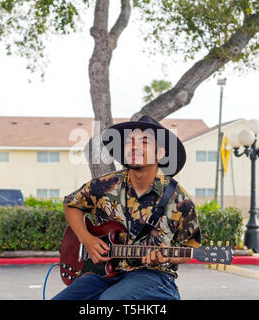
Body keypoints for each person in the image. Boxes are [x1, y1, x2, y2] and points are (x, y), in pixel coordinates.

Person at [52, 115, 201, 300]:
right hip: (103, 274)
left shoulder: (179, 199)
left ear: (160, 153)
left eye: (144, 141)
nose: (134, 146)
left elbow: (189, 248)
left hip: (153, 275)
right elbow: (71, 204)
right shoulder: (105, 185)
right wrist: (87, 239)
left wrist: (166, 257)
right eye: (130, 141)